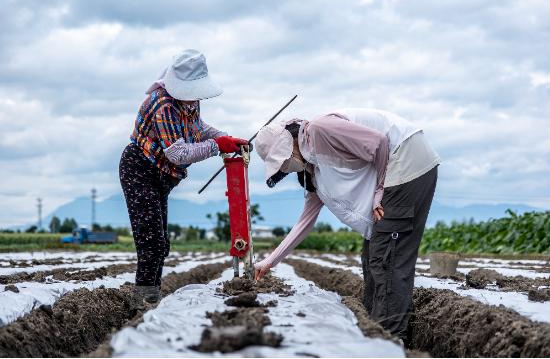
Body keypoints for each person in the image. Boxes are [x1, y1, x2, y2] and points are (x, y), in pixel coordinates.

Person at [253, 108, 440, 343]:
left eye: (283, 161)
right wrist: (270, 261)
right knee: (372, 253)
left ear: (288, 145)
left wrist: (379, 192)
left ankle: (390, 341)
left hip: (406, 159)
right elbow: (304, 223)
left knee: (386, 258)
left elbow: (379, 142)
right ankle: (374, 328)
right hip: (397, 168)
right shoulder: (315, 170)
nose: (287, 167)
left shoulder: (320, 130)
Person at [119, 49, 248, 306]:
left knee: (162, 243)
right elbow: (177, 153)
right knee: (151, 241)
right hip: (140, 170)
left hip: (161, 176)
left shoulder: (189, 101)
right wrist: (216, 146)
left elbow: (198, 129)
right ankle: (142, 302)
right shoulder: (163, 104)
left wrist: (226, 138)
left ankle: (150, 297)